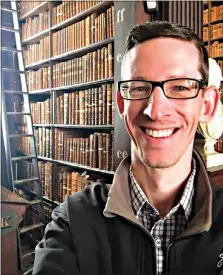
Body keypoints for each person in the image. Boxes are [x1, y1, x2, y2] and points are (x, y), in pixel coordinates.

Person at [29, 21, 223, 275]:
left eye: (180, 87)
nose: (155, 111)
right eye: (140, 88)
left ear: (207, 106)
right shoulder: (72, 222)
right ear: (121, 104)